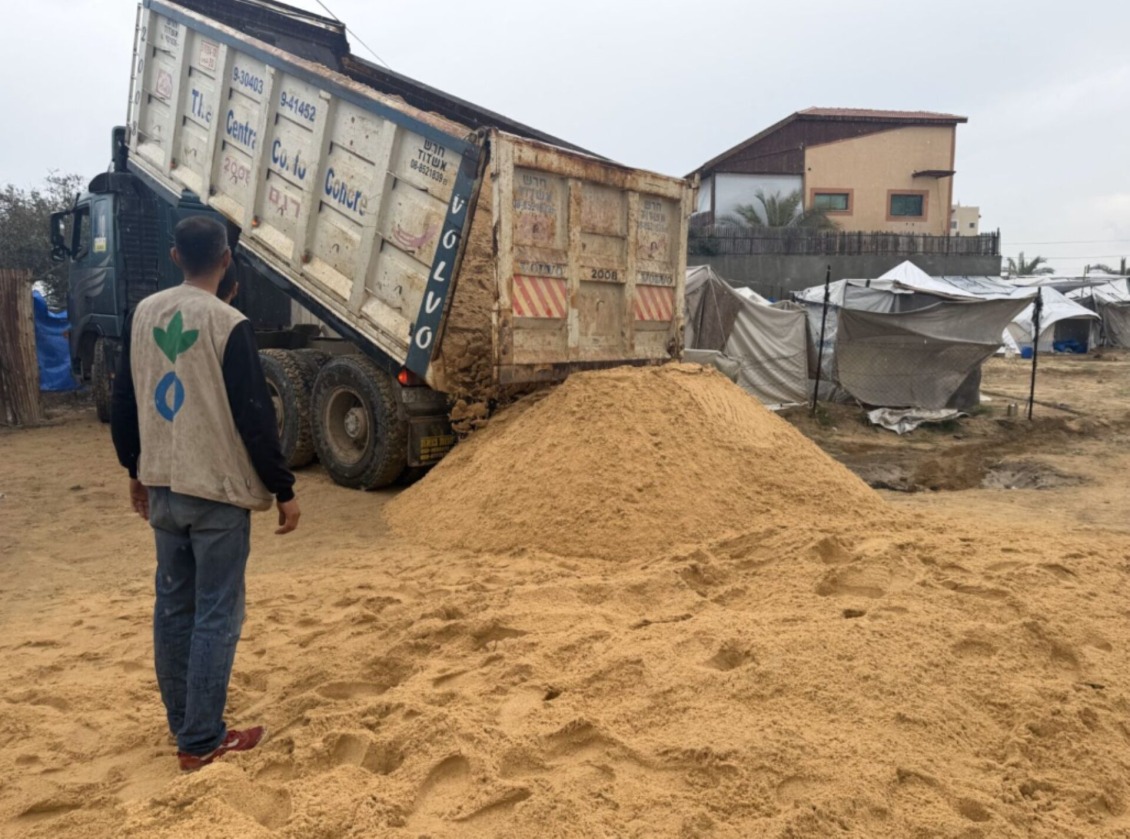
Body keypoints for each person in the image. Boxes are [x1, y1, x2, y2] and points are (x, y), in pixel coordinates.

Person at [110, 216, 300, 772]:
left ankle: (185, 726)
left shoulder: (143, 314)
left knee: (172, 609)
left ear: (174, 256)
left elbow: (125, 400)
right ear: (225, 259)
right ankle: (200, 740)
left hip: (163, 484)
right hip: (215, 491)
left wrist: (134, 469)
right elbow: (254, 416)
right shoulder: (229, 322)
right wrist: (283, 488)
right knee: (217, 614)